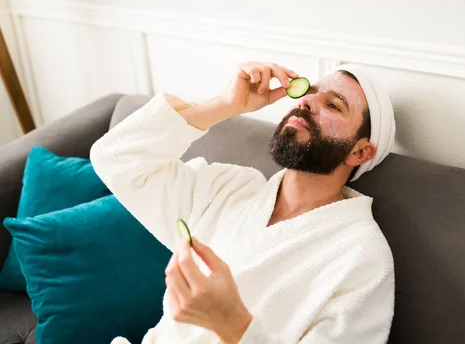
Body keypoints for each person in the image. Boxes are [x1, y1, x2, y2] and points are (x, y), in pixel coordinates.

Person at [90, 61, 396, 344]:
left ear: (359, 153)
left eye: (332, 105)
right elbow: (116, 159)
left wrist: (234, 325)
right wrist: (226, 104)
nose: (305, 102)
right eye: (310, 92)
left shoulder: (362, 257)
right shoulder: (230, 189)